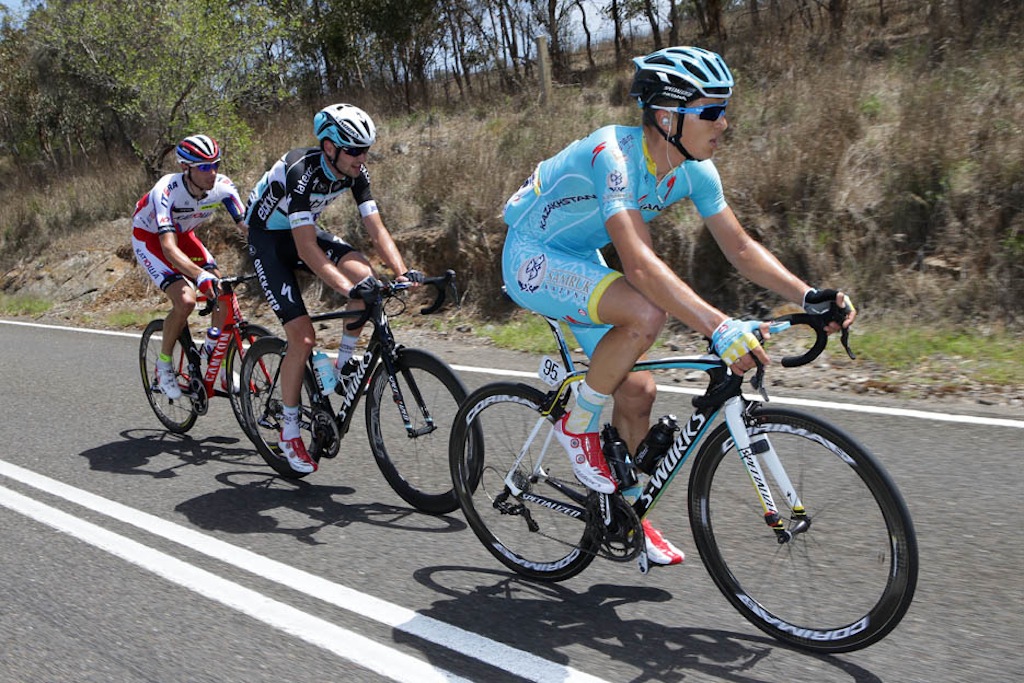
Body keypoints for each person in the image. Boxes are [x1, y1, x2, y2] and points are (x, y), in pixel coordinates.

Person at [501, 46, 856, 567]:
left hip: (577, 255)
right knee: (645, 314)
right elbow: (640, 266)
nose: (724, 123)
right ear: (667, 116)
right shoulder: (614, 156)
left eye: (724, 109)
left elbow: (740, 248)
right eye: (711, 111)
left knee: (639, 390)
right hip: (532, 254)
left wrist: (807, 296)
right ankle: (576, 426)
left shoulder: (692, 169)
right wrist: (717, 327)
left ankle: (625, 515)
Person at [245, 103, 422, 475]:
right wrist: (347, 291)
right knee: (303, 338)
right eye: (355, 150)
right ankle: (289, 431)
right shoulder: (300, 171)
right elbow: (307, 249)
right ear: (329, 148)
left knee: (366, 276)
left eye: (366, 150)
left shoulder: (355, 171)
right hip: (268, 241)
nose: (363, 158)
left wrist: (403, 272)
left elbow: (376, 228)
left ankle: (342, 365)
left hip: (301, 231)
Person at [132, 134, 247, 400]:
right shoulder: (167, 190)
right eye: (204, 167)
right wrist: (199, 276)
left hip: (184, 235)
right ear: (186, 167)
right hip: (151, 239)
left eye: (216, 164)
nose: (212, 172)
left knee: (225, 293)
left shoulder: (224, 187)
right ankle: (163, 366)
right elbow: (169, 250)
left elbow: (247, 228)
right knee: (185, 301)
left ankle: (218, 358)